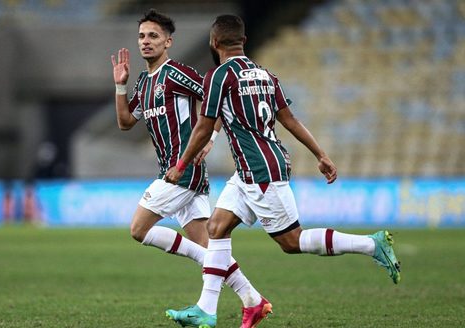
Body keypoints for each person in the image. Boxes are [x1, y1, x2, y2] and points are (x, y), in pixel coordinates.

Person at [164, 14, 401, 328]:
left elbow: (205, 126)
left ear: (214, 43)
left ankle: (372, 245)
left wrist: (181, 165)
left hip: (259, 170)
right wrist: (321, 154)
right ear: (244, 42)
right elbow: (289, 120)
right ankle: (210, 309)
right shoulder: (265, 75)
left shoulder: (219, 76)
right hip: (253, 168)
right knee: (217, 227)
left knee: (292, 242)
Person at [110, 9, 271, 327]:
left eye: (153, 36)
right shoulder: (144, 83)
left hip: (181, 171)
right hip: (177, 173)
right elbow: (126, 122)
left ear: (168, 42)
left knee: (139, 230)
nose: (146, 41)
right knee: (207, 245)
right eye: (142, 36)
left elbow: (218, 97)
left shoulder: (175, 74)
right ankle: (254, 301)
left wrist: (210, 136)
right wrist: (120, 86)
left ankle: (219, 274)